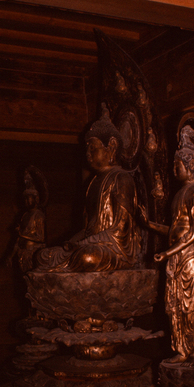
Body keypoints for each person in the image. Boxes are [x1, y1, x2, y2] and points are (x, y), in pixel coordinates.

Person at [141, 126, 194, 364]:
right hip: (176, 255)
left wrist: (167, 252)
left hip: (191, 255)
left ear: (191, 165)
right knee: (175, 305)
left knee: (191, 303)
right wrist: (148, 224)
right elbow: (174, 230)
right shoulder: (179, 195)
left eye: (178, 165)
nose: (174, 170)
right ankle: (182, 349)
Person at [35, 105, 141, 272]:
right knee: (43, 256)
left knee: (88, 257)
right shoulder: (92, 183)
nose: (87, 154)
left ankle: (71, 263)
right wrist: (71, 243)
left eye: (92, 148)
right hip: (89, 245)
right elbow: (87, 229)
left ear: (112, 146)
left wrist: (83, 244)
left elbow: (121, 230)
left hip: (114, 250)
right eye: (86, 149)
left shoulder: (121, 179)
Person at [10, 176, 46, 273]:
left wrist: (22, 234)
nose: (26, 201)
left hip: (33, 252)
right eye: (25, 199)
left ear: (36, 199)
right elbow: (18, 239)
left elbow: (41, 238)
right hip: (22, 252)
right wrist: (11, 255)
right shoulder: (25, 215)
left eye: (28, 199)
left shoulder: (38, 215)